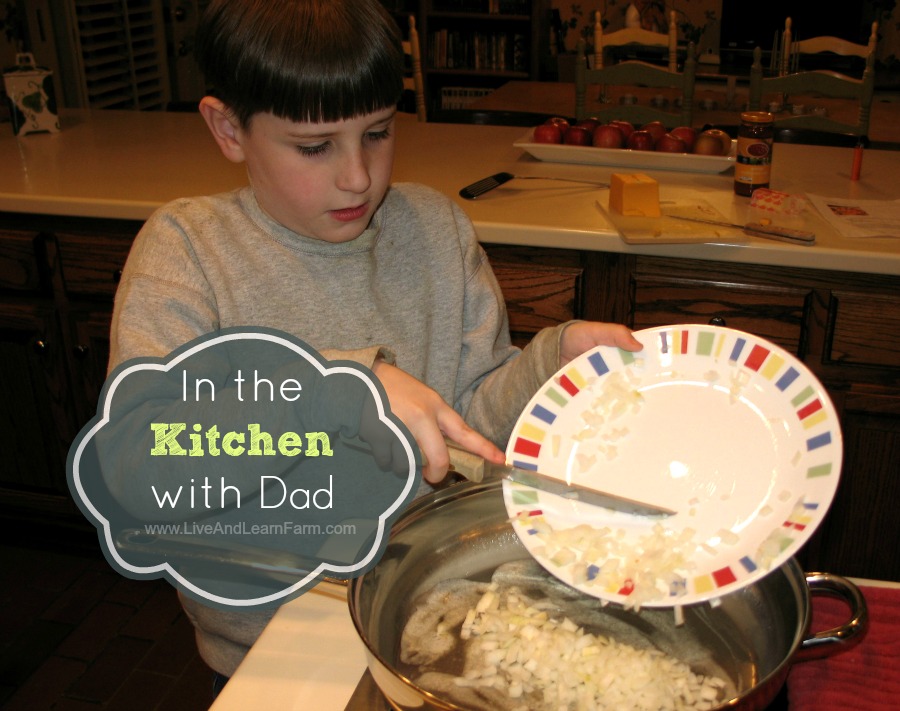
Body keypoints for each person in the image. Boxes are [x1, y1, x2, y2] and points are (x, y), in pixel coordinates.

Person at [107, 0, 642, 687]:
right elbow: (139, 468)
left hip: (428, 613)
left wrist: (553, 367)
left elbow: (466, 420)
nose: (358, 175)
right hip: (273, 643)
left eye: (379, 133)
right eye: (314, 146)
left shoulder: (436, 229)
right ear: (228, 128)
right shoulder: (189, 251)